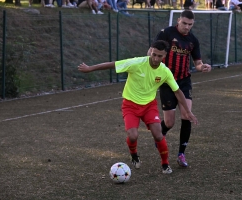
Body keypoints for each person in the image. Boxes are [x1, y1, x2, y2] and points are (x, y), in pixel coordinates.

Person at [77, 40, 198, 174]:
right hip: (130, 105)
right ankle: (134, 154)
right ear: (150, 51)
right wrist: (90, 68)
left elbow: (177, 91)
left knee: (158, 135)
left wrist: (188, 112)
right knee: (133, 135)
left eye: (160, 56)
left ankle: (165, 164)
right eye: (154, 54)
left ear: (165, 56)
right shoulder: (137, 63)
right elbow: (113, 65)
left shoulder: (165, 71)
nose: (156, 58)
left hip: (149, 106)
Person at [147, 10, 211, 168]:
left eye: (190, 25)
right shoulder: (167, 33)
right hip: (167, 81)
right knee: (169, 122)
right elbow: (152, 51)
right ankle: (160, 135)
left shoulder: (193, 40)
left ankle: (181, 154)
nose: (187, 27)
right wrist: (149, 65)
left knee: (186, 115)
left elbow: (197, 63)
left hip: (184, 81)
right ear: (178, 20)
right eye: (184, 23)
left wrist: (202, 67)